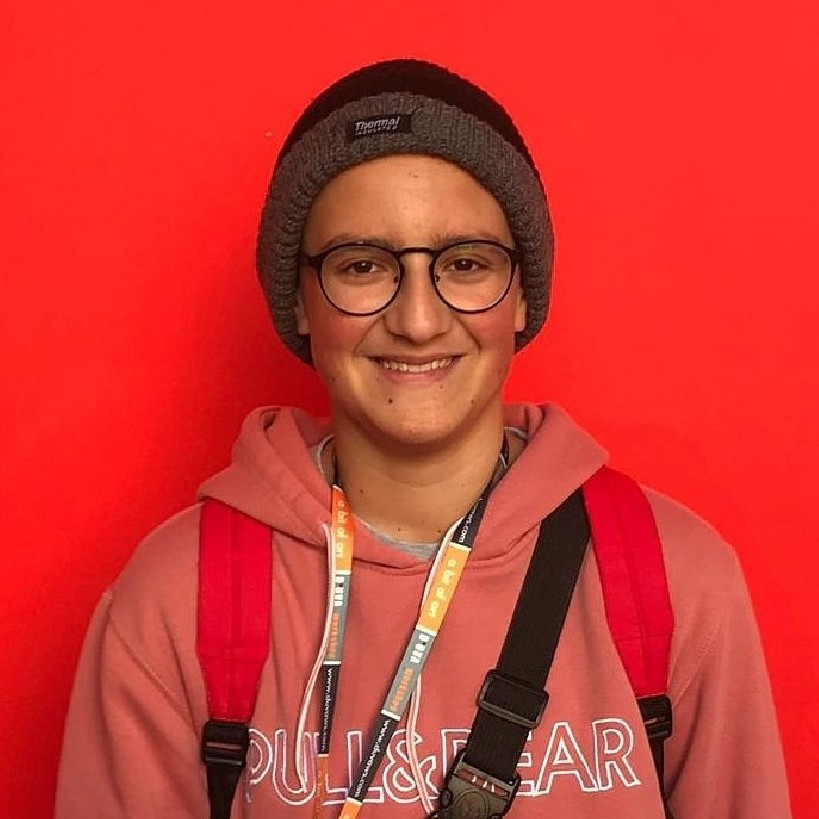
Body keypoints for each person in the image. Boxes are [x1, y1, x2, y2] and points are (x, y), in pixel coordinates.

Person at [55, 58, 791, 818]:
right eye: (362, 265)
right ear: (300, 301)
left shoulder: (672, 577)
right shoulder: (177, 599)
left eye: (465, 263)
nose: (417, 320)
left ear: (522, 296)